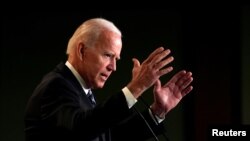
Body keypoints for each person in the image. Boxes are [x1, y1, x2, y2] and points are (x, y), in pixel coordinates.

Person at [24, 18, 193, 141]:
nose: (113, 67)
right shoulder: (56, 85)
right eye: (107, 55)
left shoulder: (81, 90)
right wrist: (136, 87)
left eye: (116, 59)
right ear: (82, 51)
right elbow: (80, 130)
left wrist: (157, 112)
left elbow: (107, 136)